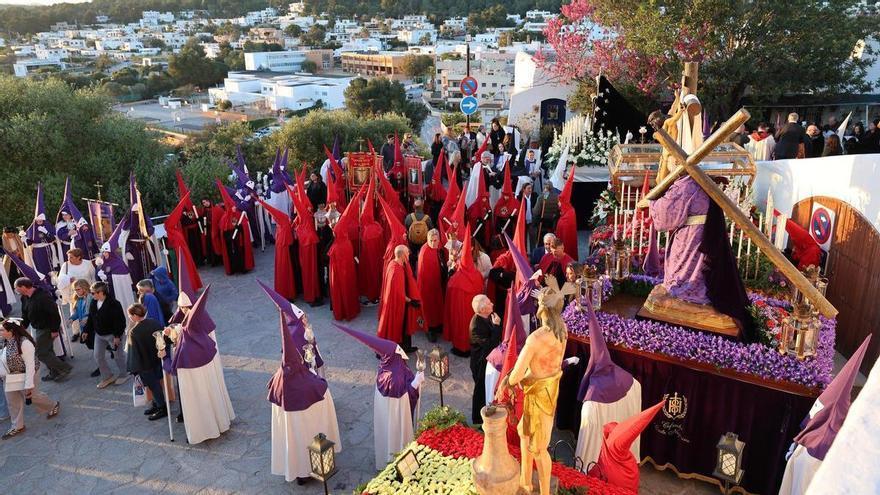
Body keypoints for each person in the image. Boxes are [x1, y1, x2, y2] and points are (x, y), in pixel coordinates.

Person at [260, 283, 341, 486]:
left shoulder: (278, 380)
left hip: (291, 419)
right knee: (306, 438)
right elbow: (322, 392)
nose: (305, 318)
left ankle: (299, 471)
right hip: (306, 413)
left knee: (295, 442)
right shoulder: (308, 379)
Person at [495, 284, 567, 495]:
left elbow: (516, 375)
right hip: (549, 389)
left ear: (541, 308)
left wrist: (506, 381)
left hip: (538, 394)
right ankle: (525, 481)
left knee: (539, 448)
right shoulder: (562, 329)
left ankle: (544, 492)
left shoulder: (536, 339)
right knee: (524, 434)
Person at [333, 324, 423, 470]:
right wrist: (416, 383)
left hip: (386, 415)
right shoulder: (395, 377)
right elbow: (405, 400)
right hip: (396, 419)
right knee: (396, 439)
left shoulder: (385, 367)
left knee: (386, 436)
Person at [162, 286, 235, 444]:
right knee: (211, 396)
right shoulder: (205, 342)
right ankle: (219, 423)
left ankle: (201, 432)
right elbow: (185, 328)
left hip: (192, 384)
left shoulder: (185, 348)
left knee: (198, 405)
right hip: (206, 373)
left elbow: (174, 370)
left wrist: (164, 359)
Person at [0, 319, 60, 440]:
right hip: (10, 376)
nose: (0, 332)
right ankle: (17, 426)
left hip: (26, 374)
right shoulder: (4, 342)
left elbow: (30, 366)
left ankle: (53, 405)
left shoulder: (25, 343)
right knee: (12, 401)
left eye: (2, 330)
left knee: (33, 397)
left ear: (11, 331)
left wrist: (28, 386)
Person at [14, 277, 72, 382]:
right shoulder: (24, 297)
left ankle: (64, 368)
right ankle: (54, 372)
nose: (15, 290)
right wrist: (21, 327)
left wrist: (54, 330)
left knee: (41, 353)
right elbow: (25, 314)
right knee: (48, 351)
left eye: (16, 287)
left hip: (47, 328)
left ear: (23, 287)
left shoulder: (43, 297)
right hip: (37, 327)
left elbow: (54, 313)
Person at [125, 304, 167, 421]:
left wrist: (133, 369)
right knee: (156, 384)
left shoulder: (134, 331)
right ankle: (156, 404)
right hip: (158, 359)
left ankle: (161, 408)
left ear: (135, 315)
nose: (129, 317)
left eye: (130, 315)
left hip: (145, 364)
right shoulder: (154, 322)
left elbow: (133, 352)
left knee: (154, 386)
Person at [83, 282, 128, 389]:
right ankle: (108, 376)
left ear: (101, 292)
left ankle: (124, 374)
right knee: (98, 355)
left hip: (112, 334)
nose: (92, 295)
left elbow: (120, 321)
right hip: (99, 334)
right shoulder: (94, 303)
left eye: (93, 293)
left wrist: (117, 336)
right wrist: (86, 331)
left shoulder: (114, 304)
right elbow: (91, 318)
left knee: (118, 355)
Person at [377, 245, 421, 353]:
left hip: (400, 302)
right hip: (397, 305)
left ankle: (406, 347)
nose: (409, 254)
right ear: (403, 256)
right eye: (407, 253)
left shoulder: (395, 264)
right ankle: (397, 349)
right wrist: (411, 301)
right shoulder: (396, 270)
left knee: (404, 327)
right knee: (400, 327)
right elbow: (398, 293)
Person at [469, 294, 501, 424]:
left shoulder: (486, 317)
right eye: (489, 303)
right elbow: (489, 345)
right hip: (480, 363)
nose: (492, 304)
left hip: (486, 360)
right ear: (482, 310)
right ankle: (477, 419)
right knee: (480, 390)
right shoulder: (476, 326)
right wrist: (497, 326)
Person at [416, 229, 447, 342]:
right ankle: (429, 329)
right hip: (427, 287)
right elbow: (424, 274)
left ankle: (437, 325)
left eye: (435, 240)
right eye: (431, 241)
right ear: (427, 240)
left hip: (436, 284)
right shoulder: (425, 253)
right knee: (429, 308)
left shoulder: (435, 249)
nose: (434, 243)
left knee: (437, 305)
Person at [68, 279, 92, 343]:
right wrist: (71, 319)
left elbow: (92, 312)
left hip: (92, 327)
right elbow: (78, 312)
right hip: (84, 327)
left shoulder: (91, 297)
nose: (76, 292)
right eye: (75, 290)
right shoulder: (79, 299)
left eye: (78, 289)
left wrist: (86, 318)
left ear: (85, 288)